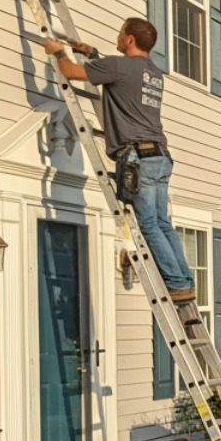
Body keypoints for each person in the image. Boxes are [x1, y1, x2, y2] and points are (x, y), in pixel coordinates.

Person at [44, 19, 196, 303]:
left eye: (120, 32)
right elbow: (122, 76)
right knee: (162, 223)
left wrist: (57, 51)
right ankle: (184, 281)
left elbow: (69, 72)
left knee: (148, 224)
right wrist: (92, 54)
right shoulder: (153, 72)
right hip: (160, 155)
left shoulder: (119, 67)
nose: (117, 35)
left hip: (137, 156)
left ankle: (174, 282)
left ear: (130, 40)